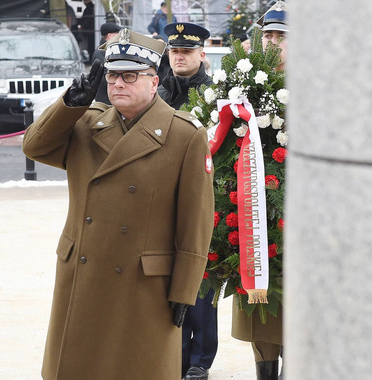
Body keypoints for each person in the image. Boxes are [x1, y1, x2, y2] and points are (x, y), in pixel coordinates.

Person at [23, 28, 215, 380]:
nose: (118, 84)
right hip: (84, 275)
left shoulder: (185, 135)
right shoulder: (85, 123)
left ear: (154, 82)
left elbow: (196, 223)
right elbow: (34, 148)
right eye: (112, 75)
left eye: (130, 76)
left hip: (145, 286)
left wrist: (185, 291)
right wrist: (70, 103)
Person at [230, 3, 287, 379]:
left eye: (281, 36)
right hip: (250, 207)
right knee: (259, 308)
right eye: (267, 34)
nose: (271, 41)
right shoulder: (242, 85)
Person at [158, 22, 216, 380]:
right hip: (165, 199)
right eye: (174, 51)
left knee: (202, 280)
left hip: (203, 196)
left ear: (201, 55)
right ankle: (174, 356)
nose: (179, 57)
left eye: (186, 52)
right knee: (168, 279)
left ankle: (200, 360)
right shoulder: (159, 91)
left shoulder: (216, 93)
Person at [93, 22, 121, 104]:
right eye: (117, 34)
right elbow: (102, 75)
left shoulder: (111, 49)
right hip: (105, 99)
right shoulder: (101, 52)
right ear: (110, 36)